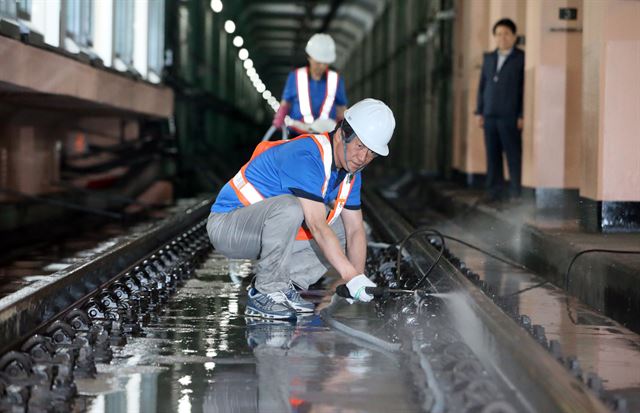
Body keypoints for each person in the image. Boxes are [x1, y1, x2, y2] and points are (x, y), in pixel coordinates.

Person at [207, 99, 395, 320]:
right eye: (360, 146)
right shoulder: (306, 155)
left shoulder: (351, 175)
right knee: (292, 207)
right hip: (228, 227)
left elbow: (354, 230)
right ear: (342, 134)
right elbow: (316, 224)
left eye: (371, 153)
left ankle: (286, 287)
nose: (363, 158)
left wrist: (356, 278)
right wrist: (349, 274)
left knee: (342, 229)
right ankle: (265, 291)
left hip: (265, 231)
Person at [475, 18, 525, 202]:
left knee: (512, 154)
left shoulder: (521, 58)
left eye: (506, 34)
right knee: (492, 154)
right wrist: (479, 111)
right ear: (494, 37)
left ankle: (515, 192)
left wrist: (521, 114)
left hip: (510, 115)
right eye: (498, 34)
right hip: (489, 114)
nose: (502, 38)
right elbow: (482, 86)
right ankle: (493, 192)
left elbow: (523, 89)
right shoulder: (489, 58)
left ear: (514, 36)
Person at [272, 33, 348, 136]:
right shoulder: (295, 76)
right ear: (309, 57)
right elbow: (286, 102)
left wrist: (344, 127)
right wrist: (280, 116)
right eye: (318, 62)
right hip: (298, 133)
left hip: (326, 134)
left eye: (325, 63)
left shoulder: (336, 79)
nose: (321, 67)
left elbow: (341, 108)